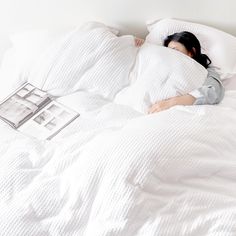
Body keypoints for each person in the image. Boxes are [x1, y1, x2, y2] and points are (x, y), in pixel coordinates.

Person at [134, 31, 225, 114]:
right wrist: (144, 47)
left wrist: (170, 103)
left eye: (175, 50)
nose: (172, 55)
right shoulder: (164, 64)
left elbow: (213, 91)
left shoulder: (206, 71)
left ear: (191, 52)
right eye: (169, 51)